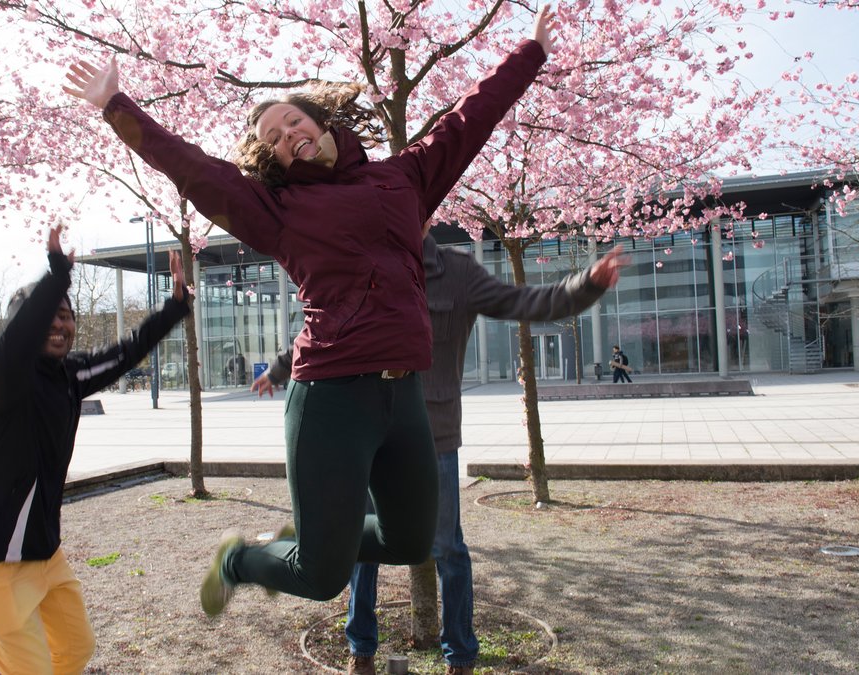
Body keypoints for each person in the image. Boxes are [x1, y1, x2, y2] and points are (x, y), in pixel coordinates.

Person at [63, 5, 562, 616]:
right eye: (271, 137)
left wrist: (528, 54)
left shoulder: (402, 178)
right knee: (322, 578)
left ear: (320, 122)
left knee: (411, 540)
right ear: (269, 156)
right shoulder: (274, 207)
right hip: (332, 397)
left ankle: (314, 538)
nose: (287, 135)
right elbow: (193, 168)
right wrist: (119, 106)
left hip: (404, 394)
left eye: (293, 121)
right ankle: (241, 560)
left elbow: (468, 121)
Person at [254, 227, 627, 675]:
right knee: (358, 546)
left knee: (447, 549)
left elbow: (525, 302)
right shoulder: (363, 267)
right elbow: (318, 330)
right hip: (364, 431)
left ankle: (460, 656)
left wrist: (585, 285)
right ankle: (362, 648)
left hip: (434, 434)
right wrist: (279, 370)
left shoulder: (457, 273)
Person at [0, 225, 191, 674]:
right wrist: (58, 275)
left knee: (75, 649)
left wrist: (174, 307)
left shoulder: (69, 374)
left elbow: (126, 353)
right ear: (24, 323)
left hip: (43, 551)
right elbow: (18, 338)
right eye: (49, 316)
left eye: (67, 315)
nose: (61, 323)